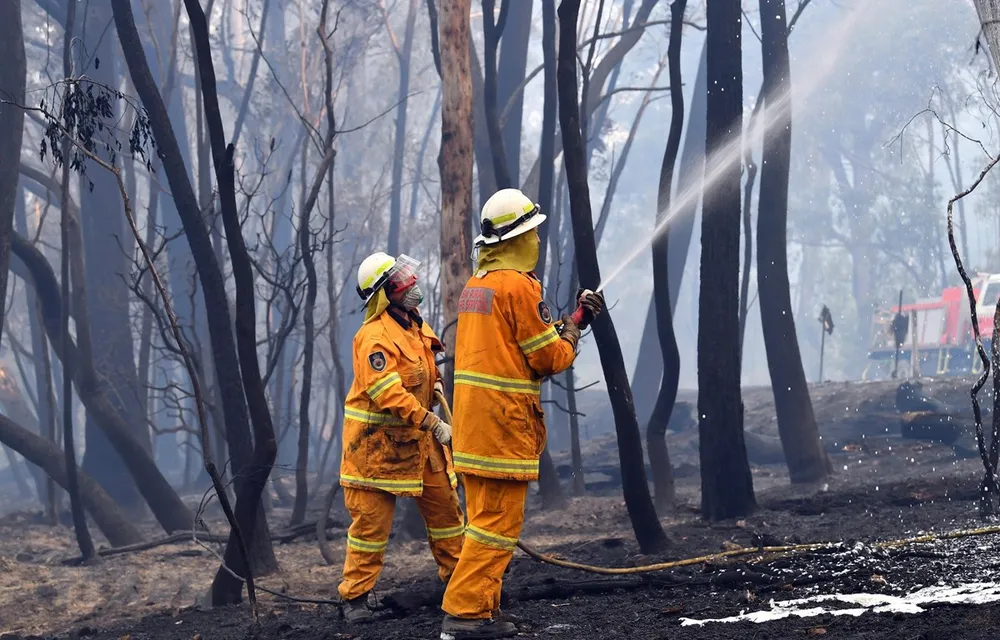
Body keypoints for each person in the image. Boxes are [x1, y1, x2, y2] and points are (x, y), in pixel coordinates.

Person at [439, 189, 604, 640]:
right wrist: (572, 332)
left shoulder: (477, 287)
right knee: (497, 527)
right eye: (531, 231)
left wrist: (571, 322)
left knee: (483, 523)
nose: (536, 239)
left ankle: (482, 610)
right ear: (517, 239)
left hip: (473, 427)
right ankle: (464, 616)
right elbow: (548, 358)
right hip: (502, 426)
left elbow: (514, 347)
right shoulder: (519, 286)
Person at [338, 251, 465, 623]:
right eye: (400, 281)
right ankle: (355, 600)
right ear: (384, 293)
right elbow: (390, 394)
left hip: (420, 444)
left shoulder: (413, 323)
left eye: (407, 275)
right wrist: (434, 423)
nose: (411, 283)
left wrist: (435, 386)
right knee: (370, 527)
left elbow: (423, 367)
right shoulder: (373, 338)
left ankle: (461, 586)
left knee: (448, 514)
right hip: (375, 451)